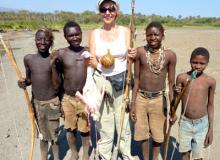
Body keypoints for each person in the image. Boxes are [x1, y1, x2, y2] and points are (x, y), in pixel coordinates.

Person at [88, 0, 136, 159]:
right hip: (102, 82)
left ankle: (125, 154)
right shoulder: (94, 33)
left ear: (116, 12)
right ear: (100, 12)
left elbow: (131, 54)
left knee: (123, 123)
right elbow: (92, 59)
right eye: (104, 9)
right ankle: (105, 156)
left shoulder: (125, 32)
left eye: (111, 9)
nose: (107, 12)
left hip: (123, 82)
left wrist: (133, 54)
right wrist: (102, 64)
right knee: (105, 124)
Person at [130, 21, 177, 160]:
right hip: (141, 98)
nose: (153, 37)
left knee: (158, 133)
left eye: (156, 34)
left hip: (159, 99)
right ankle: (146, 158)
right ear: (145, 36)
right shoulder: (140, 52)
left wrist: (172, 108)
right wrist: (133, 104)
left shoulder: (170, 55)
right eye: (149, 35)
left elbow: (171, 82)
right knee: (142, 132)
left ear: (163, 35)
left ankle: (155, 157)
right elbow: (136, 79)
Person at [18, 29, 61, 160]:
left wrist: (53, 66)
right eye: (39, 39)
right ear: (35, 41)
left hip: (52, 103)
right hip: (36, 104)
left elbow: (57, 85)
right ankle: (44, 158)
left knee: (54, 137)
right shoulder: (28, 59)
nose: (42, 42)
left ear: (51, 42)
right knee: (42, 137)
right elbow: (30, 79)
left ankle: (57, 157)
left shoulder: (54, 60)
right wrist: (24, 83)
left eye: (46, 39)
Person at [51, 21, 90, 160]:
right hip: (67, 98)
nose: (74, 38)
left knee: (85, 129)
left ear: (81, 34)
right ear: (65, 37)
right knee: (70, 129)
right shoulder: (61, 54)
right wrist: (53, 65)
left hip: (85, 98)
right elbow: (58, 80)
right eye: (71, 35)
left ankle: (85, 152)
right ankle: (74, 152)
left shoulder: (88, 51)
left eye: (77, 34)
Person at [172, 47, 216, 160]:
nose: (197, 66)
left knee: (198, 155)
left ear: (207, 63)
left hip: (202, 124)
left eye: (202, 63)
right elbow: (175, 102)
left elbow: (210, 105)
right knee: (184, 153)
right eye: (194, 62)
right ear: (190, 60)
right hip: (185, 122)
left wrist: (210, 129)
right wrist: (176, 92)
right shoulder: (182, 78)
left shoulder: (210, 81)